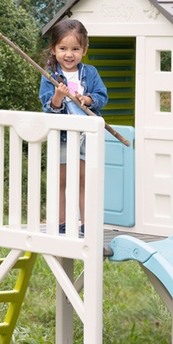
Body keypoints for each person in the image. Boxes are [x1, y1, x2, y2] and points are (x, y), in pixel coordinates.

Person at [38, 19, 108, 235]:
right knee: (62, 180)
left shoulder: (90, 73)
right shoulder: (50, 76)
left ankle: (86, 224)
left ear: (84, 50)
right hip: (63, 136)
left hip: (87, 134)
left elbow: (102, 97)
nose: (69, 54)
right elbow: (49, 108)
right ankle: (61, 224)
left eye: (75, 49)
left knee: (84, 180)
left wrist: (86, 99)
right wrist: (58, 96)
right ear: (53, 49)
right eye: (63, 48)